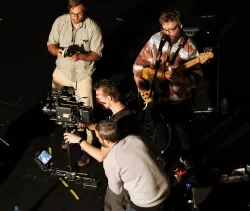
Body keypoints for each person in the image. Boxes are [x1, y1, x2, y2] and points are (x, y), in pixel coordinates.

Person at [132, 10, 203, 169]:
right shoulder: (155, 40)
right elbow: (138, 65)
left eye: (172, 29)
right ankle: (163, 156)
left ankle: (187, 156)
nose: (168, 33)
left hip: (178, 98)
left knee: (183, 129)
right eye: (165, 29)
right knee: (159, 129)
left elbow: (197, 79)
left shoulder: (190, 48)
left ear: (181, 26)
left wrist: (180, 79)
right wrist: (140, 86)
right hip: (157, 95)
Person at [63, 79, 137, 211]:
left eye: (98, 97)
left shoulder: (117, 125)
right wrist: (87, 126)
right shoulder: (125, 112)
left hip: (123, 179)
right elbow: (102, 127)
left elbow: (100, 156)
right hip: (123, 173)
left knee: (116, 205)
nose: (97, 101)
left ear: (109, 97)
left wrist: (79, 141)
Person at [65, 120, 170, 211]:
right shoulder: (134, 138)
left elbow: (116, 190)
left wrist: (79, 140)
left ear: (105, 141)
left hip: (147, 202)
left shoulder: (111, 160)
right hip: (166, 188)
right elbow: (155, 151)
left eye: (98, 137)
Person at [47, 0, 104, 167]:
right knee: (62, 106)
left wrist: (81, 56)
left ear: (84, 11)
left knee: (86, 111)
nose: (77, 17)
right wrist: (57, 51)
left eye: (80, 13)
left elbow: (97, 54)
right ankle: (70, 133)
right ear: (69, 11)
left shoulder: (92, 27)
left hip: (82, 74)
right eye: (73, 14)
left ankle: (88, 146)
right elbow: (50, 44)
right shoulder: (60, 22)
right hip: (62, 72)